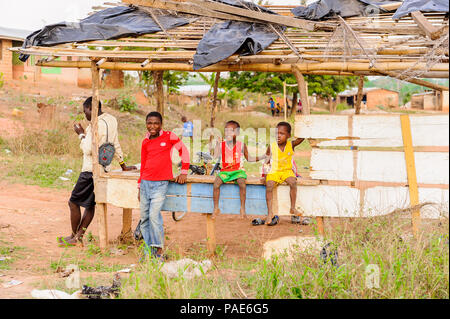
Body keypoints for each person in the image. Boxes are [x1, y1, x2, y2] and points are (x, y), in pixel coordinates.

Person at [58, 97, 136, 246]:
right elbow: (115, 143)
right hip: (104, 168)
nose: (85, 115)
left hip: (89, 170)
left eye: (85, 111)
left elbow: (88, 149)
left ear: (90, 108)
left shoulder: (94, 125)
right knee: (90, 205)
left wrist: (81, 134)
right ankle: (77, 237)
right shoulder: (112, 120)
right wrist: (123, 165)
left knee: (73, 202)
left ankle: (75, 237)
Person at [138, 111, 190, 260]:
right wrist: (139, 185)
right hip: (145, 183)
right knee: (144, 218)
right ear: (146, 124)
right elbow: (143, 164)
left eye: (155, 123)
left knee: (154, 215)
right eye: (149, 123)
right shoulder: (145, 141)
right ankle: (148, 251)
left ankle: (159, 250)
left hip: (160, 184)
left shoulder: (169, 136)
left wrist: (184, 172)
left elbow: (184, 151)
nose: (152, 126)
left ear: (161, 124)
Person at [256, 122, 307, 226]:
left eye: (282, 133)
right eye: (276, 133)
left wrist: (301, 127)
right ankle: (270, 212)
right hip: (274, 171)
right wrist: (264, 175)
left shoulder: (291, 144)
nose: (278, 136)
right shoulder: (272, 146)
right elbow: (266, 162)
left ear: (288, 135)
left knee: (293, 182)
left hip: (287, 171)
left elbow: (302, 138)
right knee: (269, 185)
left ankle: (292, 208)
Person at [212, 120, 263, 219]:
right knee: (216, 184)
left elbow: (249, 158)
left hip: (238, 171)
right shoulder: (222, 144)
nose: (228, 133)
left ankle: (242, 209)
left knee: (242, 184)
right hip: (226, 171)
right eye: (226, 131)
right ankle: (216, 208)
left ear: (238, 133)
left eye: (231, 131)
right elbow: (215, 155)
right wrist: (217, 144)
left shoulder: (241, 145)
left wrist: (262, 156)